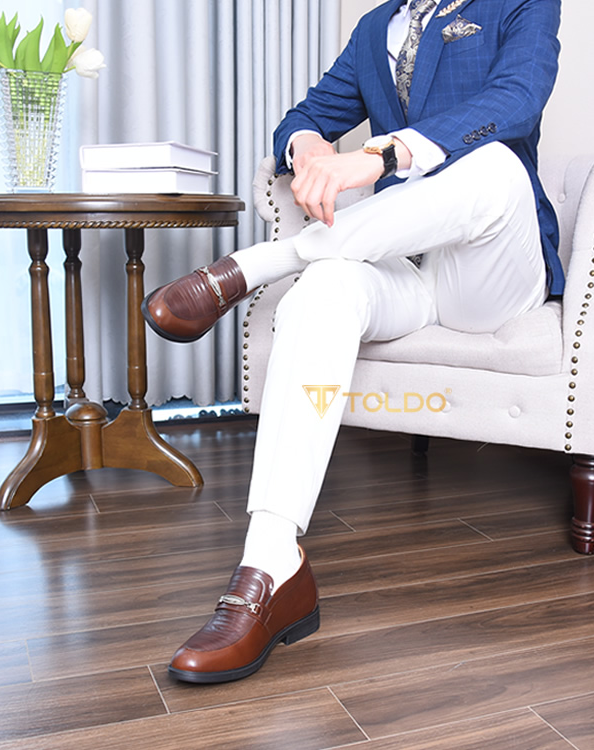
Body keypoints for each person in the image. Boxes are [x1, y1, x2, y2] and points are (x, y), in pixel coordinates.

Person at [143, 0, 563, 683]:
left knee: (496, 164)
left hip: (487, 275)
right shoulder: (376, 27)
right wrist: (310, 147)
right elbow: (302, 118)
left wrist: (379, 154)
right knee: (323, 291)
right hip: (403, 265)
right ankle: (271, 566)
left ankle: (256, 265)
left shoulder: (520, 3)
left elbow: (517, 100)